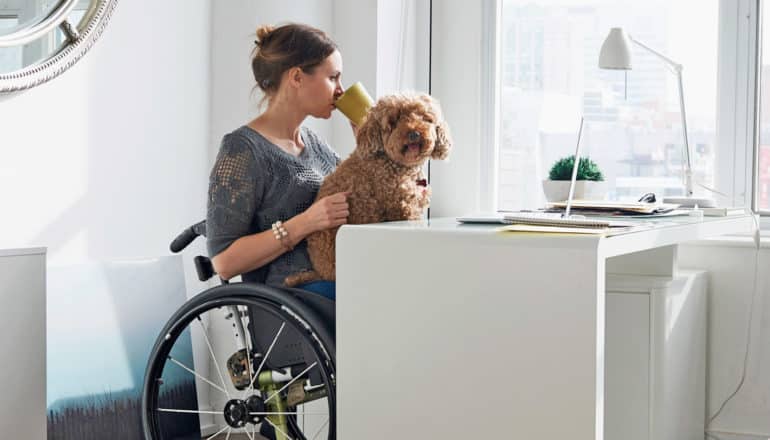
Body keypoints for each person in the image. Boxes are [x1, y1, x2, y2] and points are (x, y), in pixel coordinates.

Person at [206, 23, 351, 301]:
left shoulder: (313, 143)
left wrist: (368, 141)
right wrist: (306, 223)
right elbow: (223, 262)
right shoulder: (242, 149)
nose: (340, 91)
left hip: (334, 280)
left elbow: (355, 203)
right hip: (290, 299)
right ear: (297, 77)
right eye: (333, 77)